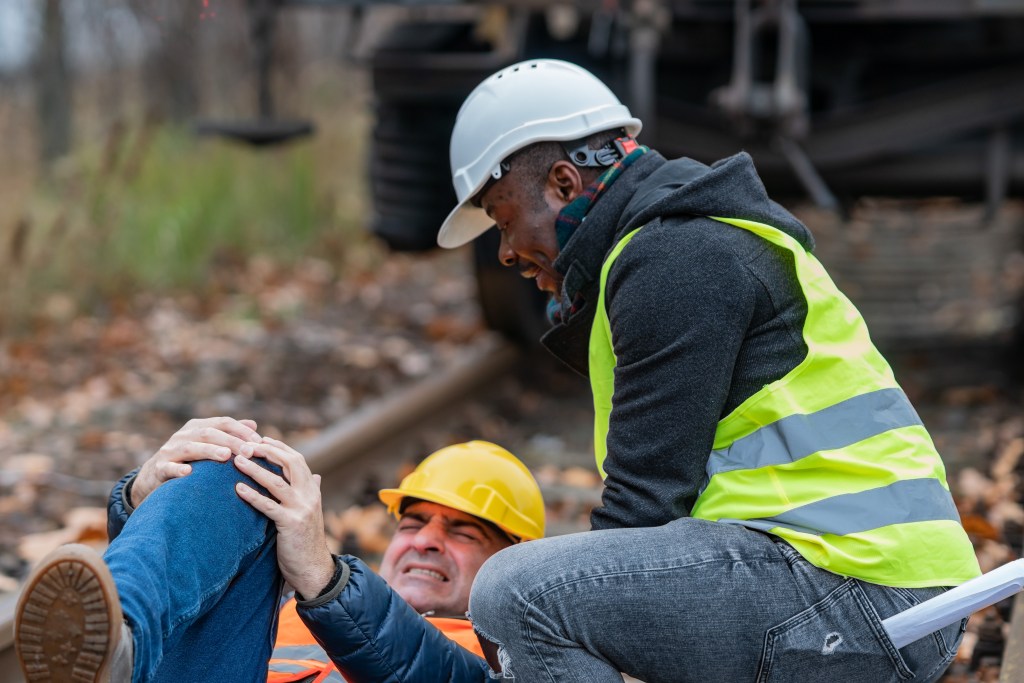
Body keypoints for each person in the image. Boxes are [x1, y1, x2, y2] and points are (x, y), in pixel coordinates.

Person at [436, 58, 982, 682]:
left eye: (504, 220)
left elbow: (641, 511)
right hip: (857, 581)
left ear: (563, 183)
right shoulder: (677, 240)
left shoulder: (675, 258)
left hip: (858, 592)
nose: (506, 252)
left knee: (518, 594)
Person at [14, 417, 545, 683]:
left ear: (518, 565)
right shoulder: (286, 611)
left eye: (464, 533)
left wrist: (324, 580)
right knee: (246, 465)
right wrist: (137, 501)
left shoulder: (515, 660)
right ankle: (120, 639)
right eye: (413, 523)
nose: (426, 539)